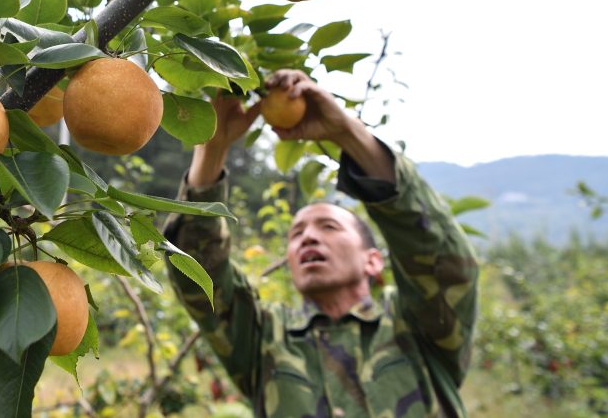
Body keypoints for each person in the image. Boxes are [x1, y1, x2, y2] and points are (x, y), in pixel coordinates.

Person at [165, 69, 478, 418]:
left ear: (373, 260)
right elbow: (198, 273)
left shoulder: (416, 325)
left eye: (328, 226)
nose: (308, 237)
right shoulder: (265, 340)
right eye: (296, 234)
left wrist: (347, 131)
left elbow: (442, 258)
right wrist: (213, 148)